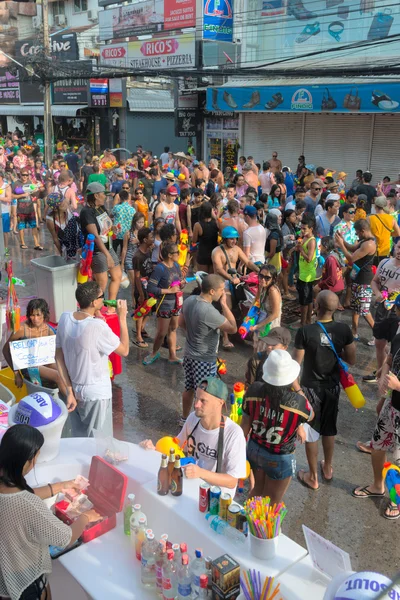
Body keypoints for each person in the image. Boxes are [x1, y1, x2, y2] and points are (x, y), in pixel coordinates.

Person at [0, 424, 101, 600]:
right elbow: (65, 538)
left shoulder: (7, 485)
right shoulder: (28, 505)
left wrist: (61, 486)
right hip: (25, 580)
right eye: (36, 457)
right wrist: (85, 517)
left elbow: (20, 495)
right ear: (27, 461)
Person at [293, 290, 356, 490]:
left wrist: (295, 389)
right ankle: (327, 468)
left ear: (316, 306)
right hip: (332, 387)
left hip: (310, 388)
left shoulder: (305, 331)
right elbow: (352, 359)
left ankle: (312, 477)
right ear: (337, 308)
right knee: (329, 429)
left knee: (311, 430)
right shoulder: (343, 330)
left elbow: (296, 364)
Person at [141, 377, 246, 493]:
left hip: (217, 499)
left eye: (203, 401)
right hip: (192, 487)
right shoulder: (193, 419)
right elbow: (175, 447)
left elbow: (232, 481)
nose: (196, 405)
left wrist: (201, 473)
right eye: (196, 398)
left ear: (219, 403)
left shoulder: (234, 434)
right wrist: (155, 449)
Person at [56, 282, 129, 437]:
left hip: (75, 389)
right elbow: (124, 350)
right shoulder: (97, 327)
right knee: (99, 445)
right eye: (102, 297)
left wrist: (68, 390)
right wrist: (122, 319)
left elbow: (59, 357)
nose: (104, 300)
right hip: (97, 394)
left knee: (80, 440)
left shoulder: (64, 318)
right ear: (94, 302)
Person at [241, 350, 313, 503]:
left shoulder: (253, 390)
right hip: (279, 456)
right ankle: (262, 527)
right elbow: (311, 415)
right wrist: (298, 387)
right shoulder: (297, 402)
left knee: (257, 490)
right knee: (273, 500)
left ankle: (245, 523)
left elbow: (245, 425)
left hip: (254, 449)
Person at [352, 304, 400, 520]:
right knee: (378, 445)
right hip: (392, 405)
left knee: (398, 460)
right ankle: (377, 485)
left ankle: (396, 499)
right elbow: (391, 357)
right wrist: (383, 374)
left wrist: (398, 385)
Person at [179, 275, 236, 423]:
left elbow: (180, 322)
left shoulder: (189, 300)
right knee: (206, 394)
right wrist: (224, 304)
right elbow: (233, 327)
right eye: (221, 290)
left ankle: (184, 419)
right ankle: (201, 423)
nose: (223, 293)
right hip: (204, 359)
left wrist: (192, 334)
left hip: (189, 354)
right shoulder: (208, 311)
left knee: (189, 388)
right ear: (212, 291)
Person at [2, 298, 67, 397]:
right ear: (28, 315)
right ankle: (71, 402)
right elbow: (5, 350)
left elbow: (55, 350)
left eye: (38, 315)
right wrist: (16, 373)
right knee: (58, 376)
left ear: (44, 315)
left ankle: (68, 397)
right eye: (32, 315)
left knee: (65, 371)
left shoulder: (48, 330)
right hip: (29, 365)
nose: (35, 319)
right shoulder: (21, 329)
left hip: (45, 361)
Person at [212, 226, 260, 349]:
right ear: (224, 239)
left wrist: (260, 270)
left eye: (235, 239)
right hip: (222, 282)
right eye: (231, 239)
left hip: (236, 280)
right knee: (227, 306)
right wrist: (231, 278)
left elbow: (248, 262)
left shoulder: (237, 249)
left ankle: (242, 331)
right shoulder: (216, 251)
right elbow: (218, 269)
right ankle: (225, 338)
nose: (234, 241)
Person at [363, 242, 400, 383]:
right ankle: (380, 374)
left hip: (397, 312)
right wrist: (377, 293)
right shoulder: (384, 263)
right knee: (379, 343)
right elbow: (374, 281)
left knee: (395, 347)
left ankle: (392, 376)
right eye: (399, 247)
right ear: (394, 247)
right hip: (382, 308)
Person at [80, 182, 122, 307]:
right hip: (98, 251)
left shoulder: (101, 208)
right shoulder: (87, 212)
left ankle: (111, 306)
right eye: (104, 194)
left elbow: (104, 227)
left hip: (108, 247)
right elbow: (96, 236)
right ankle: (96, 309)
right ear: (96, 195)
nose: (106, 197)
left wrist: (112, 228)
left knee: (117, 275)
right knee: (101, 283)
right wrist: (107, 256)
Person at [143, 242, 185, 366]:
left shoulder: (176, 265)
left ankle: (172, 356)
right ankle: (153, 353)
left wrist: (181, 284)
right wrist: (169, 291)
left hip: (177, 302)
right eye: (177, 252)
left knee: (173, 328)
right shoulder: (160, 268)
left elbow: (176, 282)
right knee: (162, 332)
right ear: (170, 255)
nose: (179, 254)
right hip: (165, 303)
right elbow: (150, 288)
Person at [335, 219, 376, 339]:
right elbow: (353, 248)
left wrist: (341, 246)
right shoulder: (365, 240)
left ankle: (377, 335)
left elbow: (351, 258)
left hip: (364, 281)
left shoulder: (369, 244)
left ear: (363, 231)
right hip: (358, 279)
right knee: (356, 308)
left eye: (357, 232)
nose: (357, 235)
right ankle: (354, 332)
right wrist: (343, 241)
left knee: (364, 310)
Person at [132, 227, 155, 348]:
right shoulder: (137, 256)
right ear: (145, 240)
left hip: (149, 285)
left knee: (148, 309)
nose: (153, 239)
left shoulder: (149, 251)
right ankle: (138, 336)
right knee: (140, 310)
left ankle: (141, 328)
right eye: (151, 237)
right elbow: (136, 276)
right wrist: (140, 293)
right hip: (141, 286)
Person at [251, 264, 281, 352]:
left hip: (269, 325)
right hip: (261, 321)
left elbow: (275, 314)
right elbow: (256, 301)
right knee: (256, 349)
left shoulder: (273, 291)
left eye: (267, 277)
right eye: (261, 276)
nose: (263, 279)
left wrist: (257, 326)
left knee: (264, 352)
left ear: (273, 279)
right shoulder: (262, 286)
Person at [46, 189, 81, 260]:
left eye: (64, 201)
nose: (66, 204)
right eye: (62, 204)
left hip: (79, 241)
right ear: (55, 209)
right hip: (67, 247)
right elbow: (55, 239)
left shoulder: (67, 209)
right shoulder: (51, 220)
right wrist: (61, 253)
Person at [12, 169, 42, 250]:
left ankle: (37, 244)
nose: (25, 176)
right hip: (21, 209)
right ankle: (22, 243)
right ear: (20, 175)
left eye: (26, 175)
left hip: (30, 208)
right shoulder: (16, 184)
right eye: (23, 175)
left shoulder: (30, 182)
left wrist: (37, 189)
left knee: (34, 226)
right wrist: (22, 195)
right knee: (21, 227)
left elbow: (35, 194)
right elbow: (12, 196)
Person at [121, 212, 146, 306]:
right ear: (134, 222)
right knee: (134, 283)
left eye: (142, 222)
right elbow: (124, 248)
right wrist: (122, 263)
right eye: (139, 222)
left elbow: (148, 245)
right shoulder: (128, 233)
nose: (141, 224)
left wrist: (138, 241)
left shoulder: (144, 233)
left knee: (140, 281)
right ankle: (134, 303)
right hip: (130, 259)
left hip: (140, 260)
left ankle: (140, 300)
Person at [296, 214, 317, 325]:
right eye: (301, 228)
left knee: (304, 302)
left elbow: (309, 258)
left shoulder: (312, 241)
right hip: (302, 273)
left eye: (304, 229)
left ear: (311, 229)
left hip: (307, 276)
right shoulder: (304, 237)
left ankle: (303, 323)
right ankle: (307, 321)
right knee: (307, 299)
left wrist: (300, 249)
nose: (302, 230)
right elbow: (299, 246)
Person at [369, 196, 400, 265]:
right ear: (385, 206)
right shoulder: (391, 218)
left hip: (373, 250)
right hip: (386, 251)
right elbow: (398, 233)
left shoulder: (370, 218)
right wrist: (389, 233)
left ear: (375, 206)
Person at [192, 201, 219, 273]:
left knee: (203, 278)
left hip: (203, 253)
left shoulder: (197, 225)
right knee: (212, 279)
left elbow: (194, 241)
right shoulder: (216, 223)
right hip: (214, 252)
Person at [111, 189, 135, 254]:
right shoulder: (132, 209)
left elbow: (111, 215)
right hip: (126, 234)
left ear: (120, 197)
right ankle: (122, 263)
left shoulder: (117, 207)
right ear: (128, 198)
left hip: (117, 232)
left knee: (113, 251)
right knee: (124, 250)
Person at [0, 170, 11, 254]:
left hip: (4, 211)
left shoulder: (6, 186)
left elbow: (9, 199)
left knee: (5, 231)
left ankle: (6, 248)